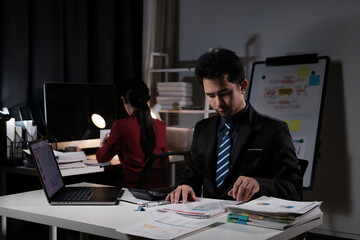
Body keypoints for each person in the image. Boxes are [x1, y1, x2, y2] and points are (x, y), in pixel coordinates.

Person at [166, 48, 302, 203]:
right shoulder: (202, 129)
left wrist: (259, 184)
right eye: (210, 95)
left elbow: (294, 189)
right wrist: (184, 186)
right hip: (209, 220)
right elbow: (190, 177)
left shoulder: (274, 131)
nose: (218, 103)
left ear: (243, 86)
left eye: (224, 93)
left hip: (251, 220)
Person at [96, 80, 169, 190]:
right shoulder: (160, 125)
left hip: (132, 192)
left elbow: (102, 157)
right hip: (158, 190)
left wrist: (106, 141)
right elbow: (165, 163)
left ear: (124, 100)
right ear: (147, 100)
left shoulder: (121, 126)